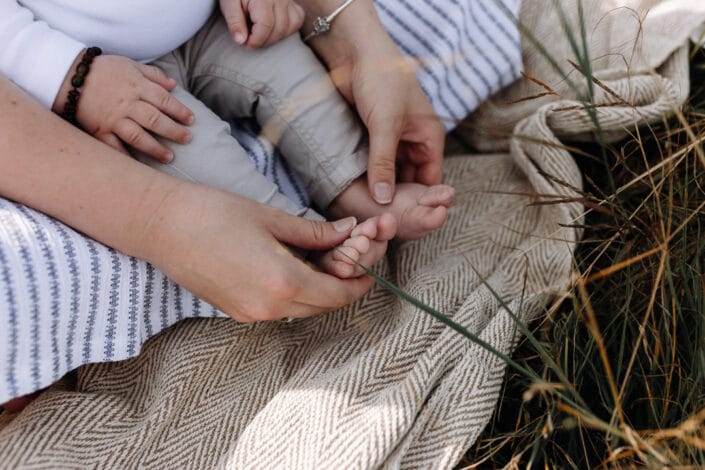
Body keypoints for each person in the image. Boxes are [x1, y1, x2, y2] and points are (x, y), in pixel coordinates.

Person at [1, 0, 455, 279]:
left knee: (295, 77)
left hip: (218, 22)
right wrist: (72, 77)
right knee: (189, 149)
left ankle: (356, 188)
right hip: (111, 78)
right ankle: (298, 237)